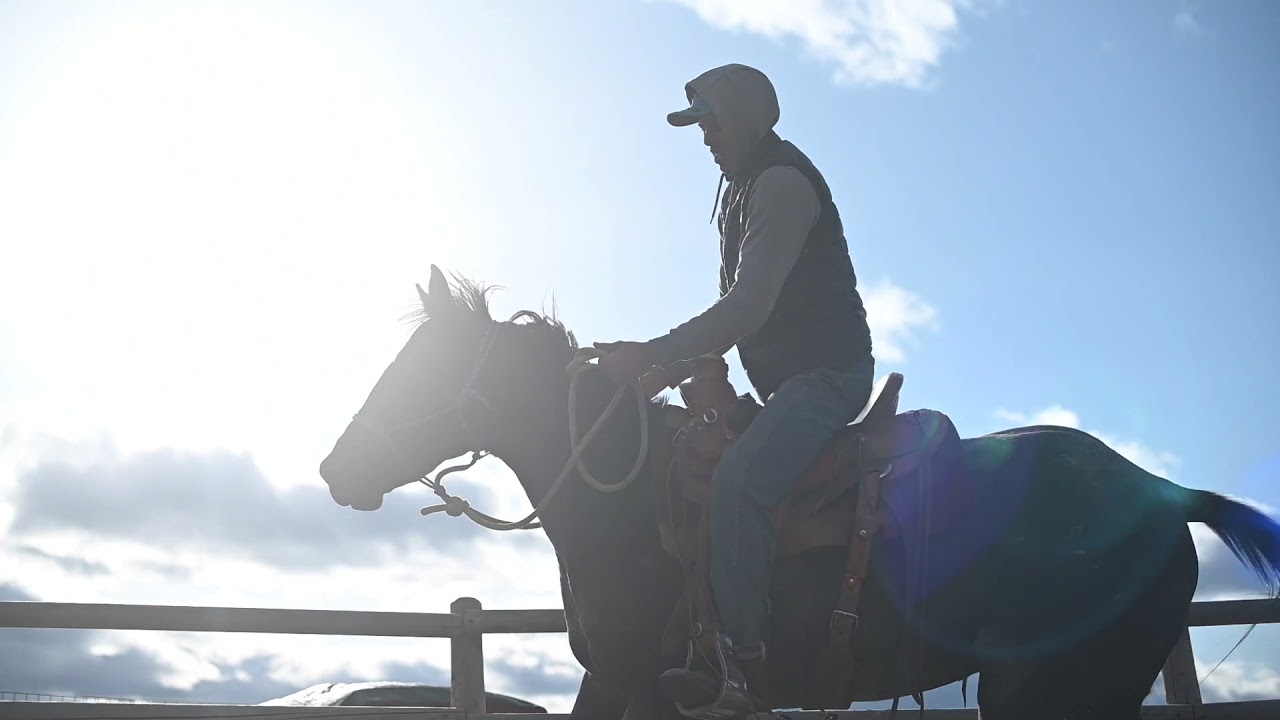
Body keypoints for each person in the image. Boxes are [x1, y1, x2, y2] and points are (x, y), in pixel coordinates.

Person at [594, 62, 876, 716]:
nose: (706, 139)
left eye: (713, 123)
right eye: (701, 127)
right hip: (788, 384)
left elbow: (747, 305)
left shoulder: (778, 183)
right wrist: (671, 368)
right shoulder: (743, 186)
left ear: (745, 120)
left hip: (827, 378)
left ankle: (744, 670)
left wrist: (659, 352)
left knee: (740, 484)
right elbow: (740, 308)